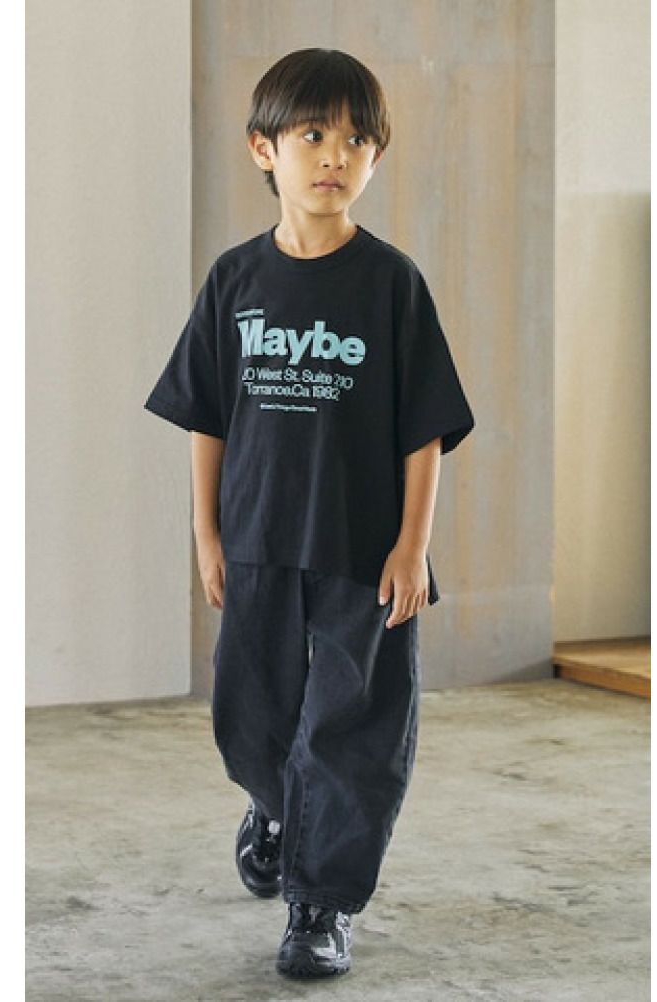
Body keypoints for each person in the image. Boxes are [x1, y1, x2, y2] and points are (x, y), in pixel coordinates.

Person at [144, 47, 475, 979]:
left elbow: (425, 428)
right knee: (250, 719)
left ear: (376, 157)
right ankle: (276, 806)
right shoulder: (235, 280)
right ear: (265, 149)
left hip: (361, 552)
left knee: (353, 731)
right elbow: (207, 415)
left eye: (358, 140)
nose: (335, 155)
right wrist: (208, 534)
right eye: (314, 134)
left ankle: (320, 903)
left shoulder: (391, 283)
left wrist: (412, 548)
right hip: (257, 540)